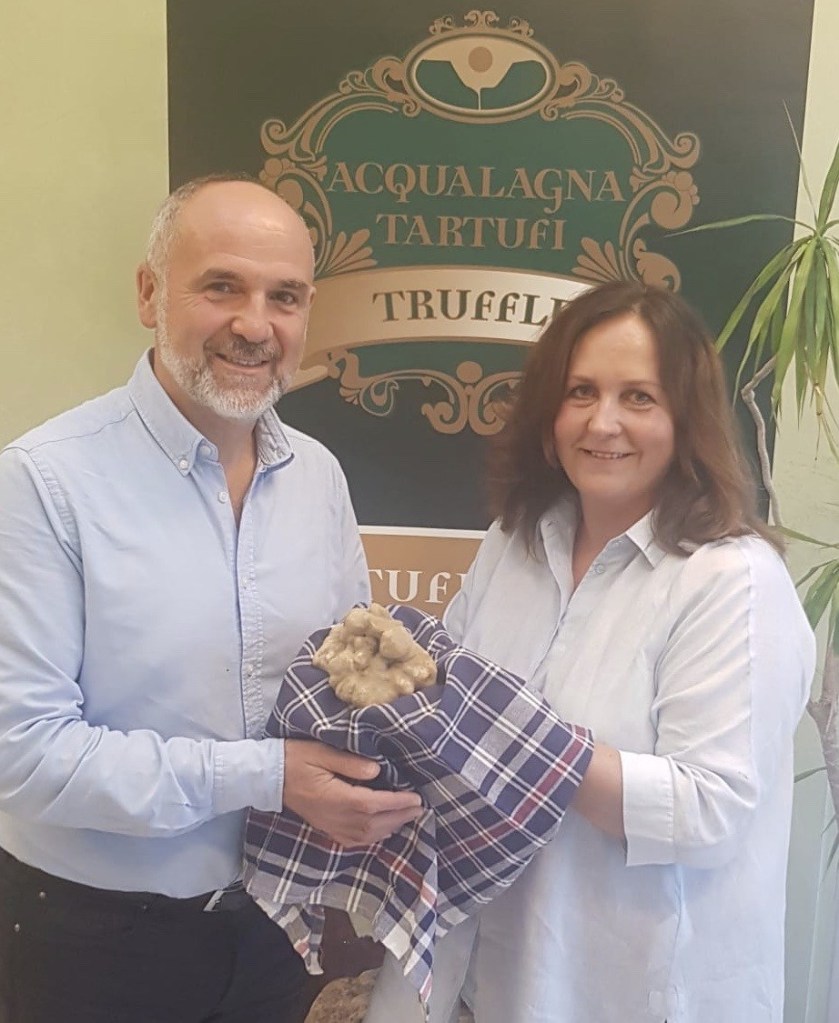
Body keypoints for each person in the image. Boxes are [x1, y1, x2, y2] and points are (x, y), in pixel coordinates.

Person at [0, 174, 422, 1023]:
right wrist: (269, 776)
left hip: (274, 920)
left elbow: (349, 679)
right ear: (149, 293)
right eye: (222, 286)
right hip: (86, 940)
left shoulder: (319, 476)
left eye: (284, 296)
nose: (255, 325)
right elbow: (24, 755)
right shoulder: (42, 482)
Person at [365, 280, 815, 1023]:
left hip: (629, 993)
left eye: (638, 397)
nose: (603, 422)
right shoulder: (510, 546)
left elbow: (708, 811)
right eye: (581, 392)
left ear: (686, 419)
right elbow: (444, 716)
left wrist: (522, 743)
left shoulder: (732, 581)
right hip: (483, 980)